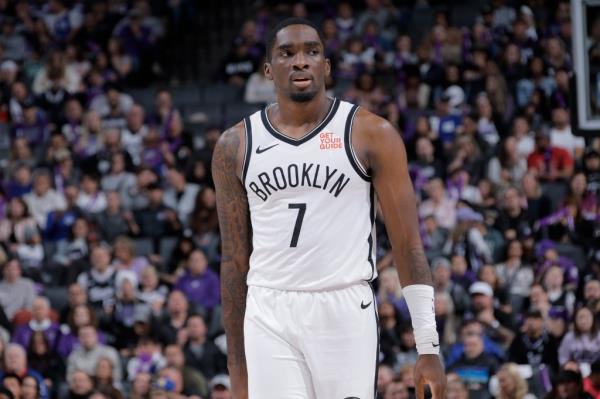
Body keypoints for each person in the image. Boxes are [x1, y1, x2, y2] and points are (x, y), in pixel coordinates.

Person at [212, 17, 445, 399]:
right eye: (287, 53)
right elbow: (234, 262)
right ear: (269, 70)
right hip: (267, 309)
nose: (301, 61)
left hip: (343, 307)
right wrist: (238, 369)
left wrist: (428, 347)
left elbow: (408, 245)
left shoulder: (372, 134)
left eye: (312, 52)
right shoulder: (233, 145)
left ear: (327, 66)